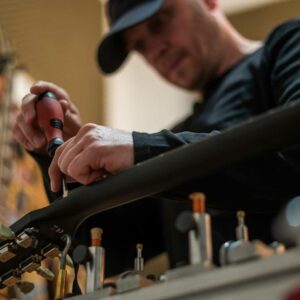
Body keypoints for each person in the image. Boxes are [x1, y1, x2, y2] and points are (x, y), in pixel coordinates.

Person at [12, 0, 300, 273]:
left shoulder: (287, 46)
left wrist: (142, 151)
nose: (154, 51)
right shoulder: (180, 135)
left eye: (159, 22)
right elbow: (109, 251)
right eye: (138, 46)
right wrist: (63, 157)